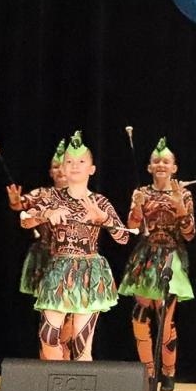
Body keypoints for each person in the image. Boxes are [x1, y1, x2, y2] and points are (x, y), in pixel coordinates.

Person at [25, 131, 128, 361]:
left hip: (90, 273)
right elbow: (25, 220)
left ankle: (79, 382)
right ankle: (56, 379)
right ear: (62, 167)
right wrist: (46, 213)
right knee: (48, 336)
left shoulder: (100, 201)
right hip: (58, 270)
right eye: (69, 161)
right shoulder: (52, 197)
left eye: (81, 161)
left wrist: (104, 219)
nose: (74, 166)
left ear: (92, 169)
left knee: (81, 345)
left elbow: (123, 238)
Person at [119, 138, 195, 390]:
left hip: (171, 257)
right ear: (149, 167)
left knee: (165, 317)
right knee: (140, 316)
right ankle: (148, 374)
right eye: (156, 161)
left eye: (166, 161)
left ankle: (168, 372)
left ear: (174, 167)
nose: (161, 164)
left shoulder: (184, 193)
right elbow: (131, 227)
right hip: (145, 258)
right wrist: (138, 207)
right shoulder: (141, 192)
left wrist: (180, 206)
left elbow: (190, 234)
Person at [7, 141, 76, 356]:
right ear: (50, 172)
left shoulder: (81, 196)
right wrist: (15, 202)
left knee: (70, 313)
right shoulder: (43, 194)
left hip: (72, 260)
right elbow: (22, 205)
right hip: (46, 259)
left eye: (64, 165)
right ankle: (47, 361)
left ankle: (66, 359)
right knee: (48, 314)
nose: (60, 170)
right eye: (55, 167)